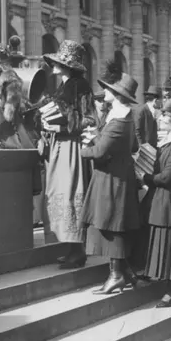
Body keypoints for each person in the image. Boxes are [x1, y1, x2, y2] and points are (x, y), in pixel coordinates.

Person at [80, 63, 140, 294]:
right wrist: (100, 136)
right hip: (119, 177)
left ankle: (115, 275)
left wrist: (79, 150)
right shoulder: (125, 118)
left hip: (110, 180)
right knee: (114, 224)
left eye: (107, 89)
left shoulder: (117, 120)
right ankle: (125, 272)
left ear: (116, 95)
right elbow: (132, 145)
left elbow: (99, 152)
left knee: (110, 224)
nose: (104, 92)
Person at [39, 40, 96, 268]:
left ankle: (77, 249)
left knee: (71, 192)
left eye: (58, 62)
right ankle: (70, 246)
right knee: (60, 193)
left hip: (70, 147)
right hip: (60, 146)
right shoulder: (66, 85)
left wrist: (60, 128)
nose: (54, 65)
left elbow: (88, 118)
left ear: (67, 66)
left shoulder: (79, 85)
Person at [139, 100, 171, 307]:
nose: (160, 118)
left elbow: (167, 177)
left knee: (169, 244)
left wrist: (145, 177)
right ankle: (165, 284)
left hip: (169, 199)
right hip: (160, 197)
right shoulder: (169, 141)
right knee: (160, 240)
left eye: (164, 116)